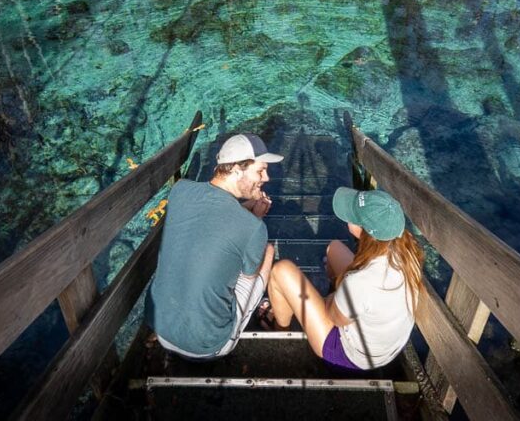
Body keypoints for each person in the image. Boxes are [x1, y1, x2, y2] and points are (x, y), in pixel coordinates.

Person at [145, 132, 282, 359]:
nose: (266, 178)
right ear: (237, 170)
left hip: (161, 329)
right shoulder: (253, 228)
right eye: (260, 171)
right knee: (266, 252)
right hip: (209, 344)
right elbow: (247, 274)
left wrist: (247, 209)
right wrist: (255, 220)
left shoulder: (180, 190)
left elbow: (210, 216)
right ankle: (266, 315)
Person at [261, 186, 423, 371]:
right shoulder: (408, 254)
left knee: (281, 271)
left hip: (350, 353)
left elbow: (335, 318)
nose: (347, 218)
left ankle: (280, 331)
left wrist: (327, 299)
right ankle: (341, 301)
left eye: (352, 216)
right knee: (334, 248)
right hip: (384, 345)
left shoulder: (362, 282)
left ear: (363, 231)